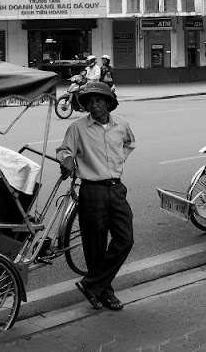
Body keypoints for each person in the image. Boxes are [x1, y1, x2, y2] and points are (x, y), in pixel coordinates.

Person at [56, 82, 136, 311]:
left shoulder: (121, 124)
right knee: (95, 245)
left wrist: (118, 160)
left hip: (117, 189)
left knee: (125, 239)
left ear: (109, 103)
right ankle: (105, 291)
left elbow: (130, 143)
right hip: (92, 190)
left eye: (99, 100)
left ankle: (92, 284)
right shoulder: (77, 128)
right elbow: (64, 150)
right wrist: (68, 159)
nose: (94, 104)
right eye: (90, 101)